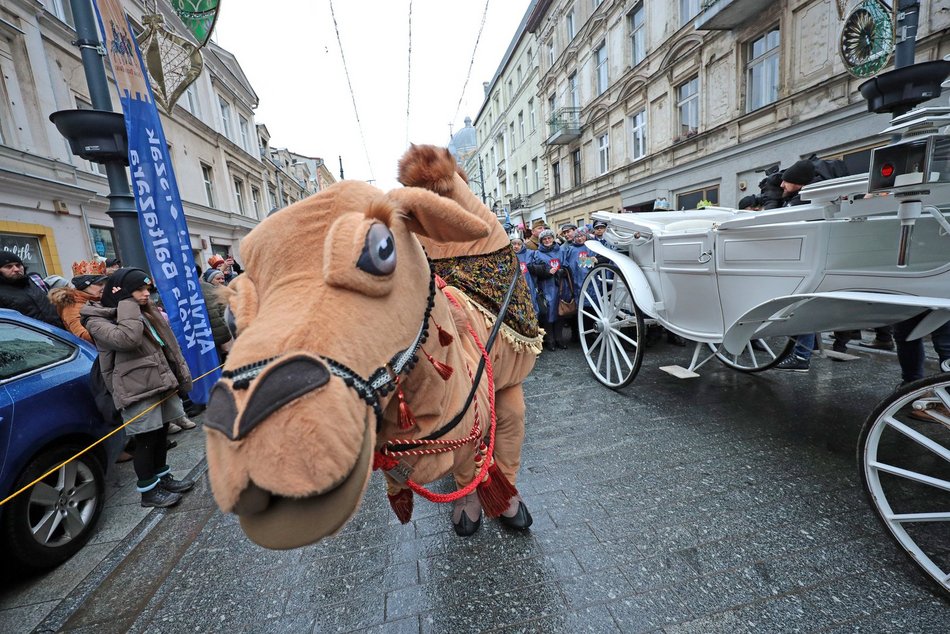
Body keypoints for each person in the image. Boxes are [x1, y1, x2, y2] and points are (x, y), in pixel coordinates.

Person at [80, 268, 196, 508]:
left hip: (159, 381)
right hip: (135, 389)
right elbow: (127, 339)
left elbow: (166, 343)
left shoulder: (140, 309)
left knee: (161, 433)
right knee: (145, 439)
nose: (146, 294)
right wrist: (127, 304)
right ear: (121, 292)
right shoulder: (96, 319)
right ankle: (148, 490)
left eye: (147, 289)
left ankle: (163, 478)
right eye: (139, 289)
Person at [527, 229, 571, 351]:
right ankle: (550, 339)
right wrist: (545, 271)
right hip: (546, 286)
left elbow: (567, 265)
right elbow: (532, 267)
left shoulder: (561, 251)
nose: (547, 241)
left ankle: (559, 338)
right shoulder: (537, 253)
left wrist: (562, 271)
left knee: (560, 311)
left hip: (561, 286)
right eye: (544, 239)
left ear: (552, 239)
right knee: (547, 312)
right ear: (541, 241)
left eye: (549, 238)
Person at [0, 252, 65, 328]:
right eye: (8, 267)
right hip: (32, 337)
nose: (16, 269)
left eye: (18, 265)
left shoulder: (34, 281)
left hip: (58, 334)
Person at [48, 274, 108, 342]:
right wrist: (113, 334)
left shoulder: (98, 299)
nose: (104, 287)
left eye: (105, 284)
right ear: (84, 286)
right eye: (99, 284)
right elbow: (83, 335)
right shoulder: (72, 307)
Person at [201, 268, 233, 362]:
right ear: (210, 280)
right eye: (218, 279)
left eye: (222, 279)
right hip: (222, 336)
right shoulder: (210, 293)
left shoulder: (227, 290)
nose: (221, 281)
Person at [511, 236, 539, 318]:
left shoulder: (529, 254)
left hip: (529, 286)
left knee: (531, 307)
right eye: (514, 244)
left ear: (522, 245)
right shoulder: (508, 256)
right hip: (514, 288)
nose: (516, 246)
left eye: (519, 244)